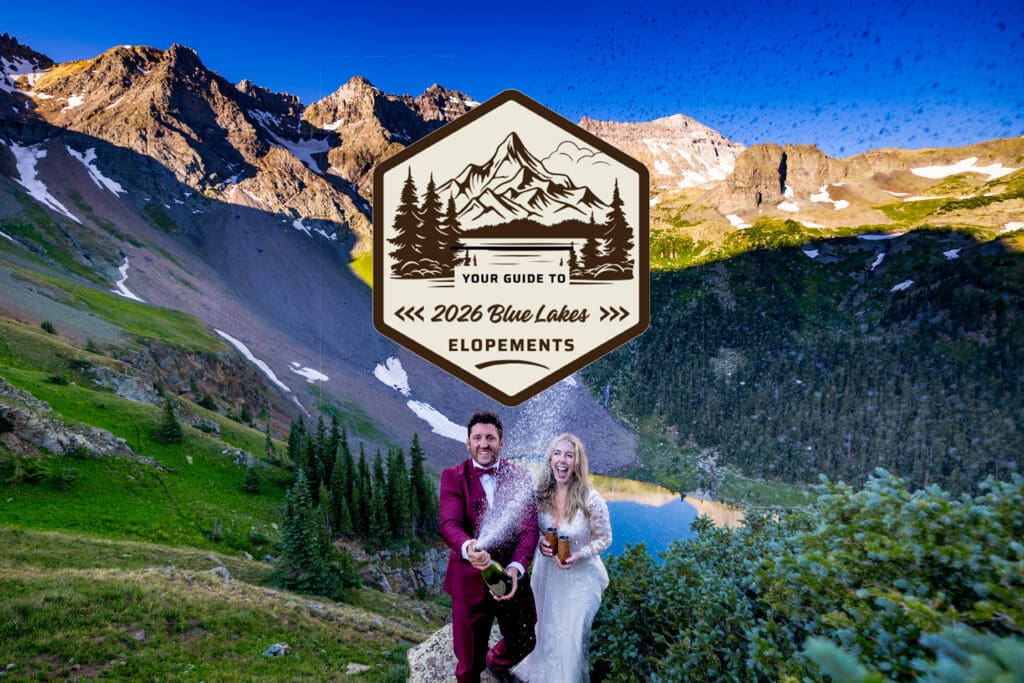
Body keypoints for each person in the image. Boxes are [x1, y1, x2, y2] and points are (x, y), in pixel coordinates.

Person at [440, 411, 540, 683]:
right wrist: (469, 546)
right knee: (468, 664)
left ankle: (496, 661)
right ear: (468, 443)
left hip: (510, 578)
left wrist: (517, 568)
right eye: (478, 438)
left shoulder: (520, 476)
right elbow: (449, 523)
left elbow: (530, 529)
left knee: (525, 638)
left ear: (501, 442)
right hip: (469, 582)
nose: (484, 444)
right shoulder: (453, 477)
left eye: (490, 438)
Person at [513, 433, 612, 683]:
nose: (562, 460)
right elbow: (531, 529)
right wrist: (540, 542)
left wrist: (579, 554)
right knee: (543, 630)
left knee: (569, 638)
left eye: (569, 455)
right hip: (546, 573)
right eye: (557, 454)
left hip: (579, 579)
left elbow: (605, 538)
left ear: (577, 463)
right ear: (550, 459)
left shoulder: (591, 499)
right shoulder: (541, 494)